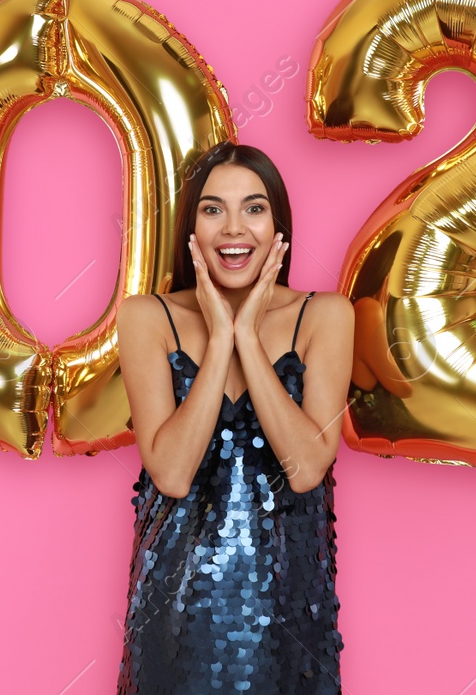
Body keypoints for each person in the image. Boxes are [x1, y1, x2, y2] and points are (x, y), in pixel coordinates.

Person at [115, 142, 353, 693]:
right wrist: (221, 335)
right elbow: (171, 474)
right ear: (192, 228)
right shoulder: (147, 317)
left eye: (254, 207)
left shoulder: (325, 316)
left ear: (277, 226)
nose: (234, 229)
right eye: (213, 208)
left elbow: (306, 467)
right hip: (175, 616)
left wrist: (247, 333)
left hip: (291, 620)